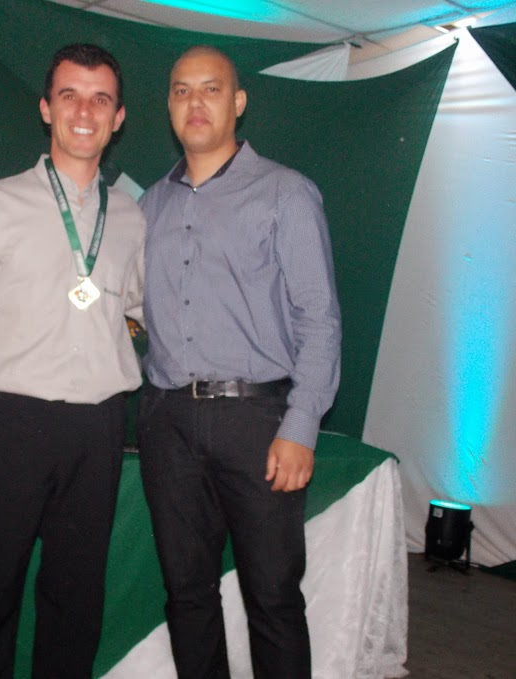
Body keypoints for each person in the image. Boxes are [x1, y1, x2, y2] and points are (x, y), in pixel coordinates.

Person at [0, 43, 145, 678]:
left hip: (99, 429)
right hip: (9, 425)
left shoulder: (132, 216)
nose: (85, 111)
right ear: (46, 108)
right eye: (70, 95)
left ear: (118, 118)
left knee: (76, 601)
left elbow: (144, 306)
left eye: (100, 99)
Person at [138, 46, 341, 678]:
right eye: (181, 90)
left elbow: (320, 318)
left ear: (239, 102)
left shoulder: (286, 193)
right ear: (168, 105)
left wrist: (301, 425)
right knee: (186, 595)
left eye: (211, 88)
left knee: (272, 598)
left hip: (257, 422)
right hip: (167, 421)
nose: (195, 103)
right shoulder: (148, 206)